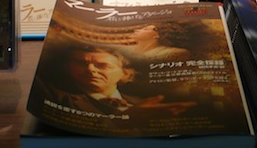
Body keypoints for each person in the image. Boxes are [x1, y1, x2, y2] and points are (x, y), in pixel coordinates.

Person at [45, 46, 196, 116]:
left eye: (102, 65)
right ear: (67, 68)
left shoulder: (147, 104)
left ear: (125, 74)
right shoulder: (54, 97)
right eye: (81, 63)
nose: (90, 69)